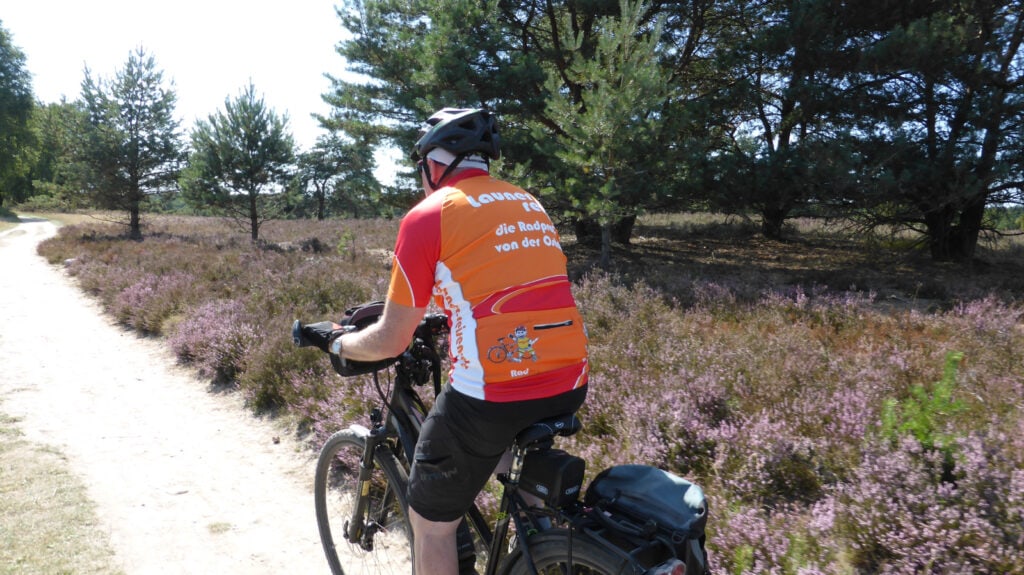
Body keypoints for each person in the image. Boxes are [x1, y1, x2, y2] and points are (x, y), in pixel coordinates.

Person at [328, 107, 589, 575]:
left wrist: (340, 346)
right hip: (570, 379)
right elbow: (503, 287)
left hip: (492, 395)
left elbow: (390, 339)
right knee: (518, 476)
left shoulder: (428, 216)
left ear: (432, 165)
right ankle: (543, 548)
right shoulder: (529, 204)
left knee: (430, 522)